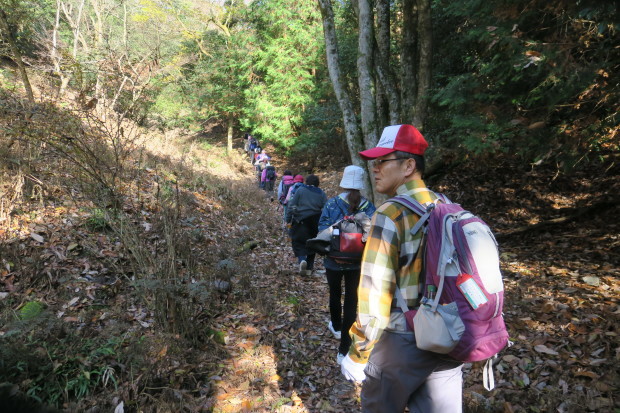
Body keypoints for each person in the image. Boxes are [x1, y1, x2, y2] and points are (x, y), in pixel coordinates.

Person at [340, 124, 463, 412]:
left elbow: (375, 293)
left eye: (383, 161)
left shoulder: (390, 213)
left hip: (402, 342)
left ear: (408, 165)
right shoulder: (446, 205)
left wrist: (358, 353)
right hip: (446, 335)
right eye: (375, 162)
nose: (375, 168)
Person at [318, 165, 376, 365]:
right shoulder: (368, 206)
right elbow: (374, 234)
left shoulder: (332, 203)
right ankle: (344, 348)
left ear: (343, 182)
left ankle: (335, 324)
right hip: (357, 263)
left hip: (333, 261)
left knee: (334, 293)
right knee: (352, 300)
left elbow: (322, 229)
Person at [285, 174, 327, 276]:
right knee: (312, 243)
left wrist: (288, 218)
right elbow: (326, 208)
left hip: (301, 219)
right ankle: (309, 268)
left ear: (306, 182)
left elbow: (292, 205)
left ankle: (302, 259)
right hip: (315, 221)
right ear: (317, 184)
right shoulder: (321, 193)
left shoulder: (300, 190)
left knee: (298, 242)